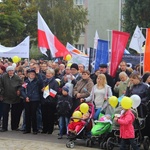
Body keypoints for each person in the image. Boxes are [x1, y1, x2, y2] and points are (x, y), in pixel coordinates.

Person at [0, 66, 22, 132]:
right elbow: (1, 86)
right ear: (7, 71)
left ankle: (14, 127)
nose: (10, 72)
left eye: (12, 71)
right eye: (9, 71)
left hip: (15, 97)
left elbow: (21, 85)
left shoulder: (17, 78)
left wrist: (19, 90)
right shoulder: (3, 77)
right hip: (5, 97)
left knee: (14, 113)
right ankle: (4, 127)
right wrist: (1, 94)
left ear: (14, 71)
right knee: (5, 113)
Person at [21, 69, 43, 134]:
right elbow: (22, 90)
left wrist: (38, 73)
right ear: (28, 75)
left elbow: (41, 82)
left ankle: (35, 129)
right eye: (31, 74)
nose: (32, 75)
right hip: (27, 99)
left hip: (35, 99)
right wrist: (25, 97)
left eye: (33, 74)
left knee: (34, 114)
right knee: (27, 114)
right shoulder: (26, 81)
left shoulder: (37, 81)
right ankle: (27, 129)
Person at [41, 69, 59, 134]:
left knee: (50, 116)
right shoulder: (44, 81)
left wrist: (47, 91)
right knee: (44, 116)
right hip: (44, 101)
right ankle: (44, 129)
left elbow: (55, 93)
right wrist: (42, 90)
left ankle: (50, 129)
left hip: (51, 102)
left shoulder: (55, 82)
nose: (47, 75)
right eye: (47, 73)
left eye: (49, 73)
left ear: (52, 74)